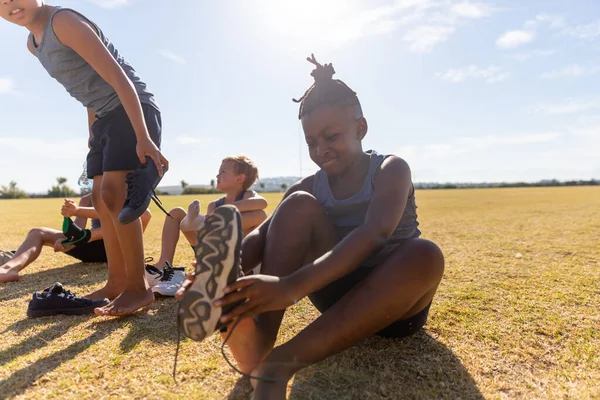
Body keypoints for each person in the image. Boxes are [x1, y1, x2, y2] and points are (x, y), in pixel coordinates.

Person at [176, 55, 445, 399]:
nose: (321, 150)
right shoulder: (306, 186)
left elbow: (374, 233)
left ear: (360, 129)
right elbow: (263, 235)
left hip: (396, 306)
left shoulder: (390, 169)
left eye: (331, 137)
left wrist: (289, 287)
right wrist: (214, 274)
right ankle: (257, 340)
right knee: (296, 207)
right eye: (311, 142)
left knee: (425, 255)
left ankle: (279, 363)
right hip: (336, 296)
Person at [0, 1, 169, 316]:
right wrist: (93, 134)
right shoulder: (32, 44)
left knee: (116, 194)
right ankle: (116, 282)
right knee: (99, 197)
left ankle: (138, 288)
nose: (11, 4)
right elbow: (87, 90)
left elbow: (119, 78)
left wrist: (143, 135)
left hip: (131, 109)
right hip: (104, 118)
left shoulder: (63, 22)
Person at [146, 155, 268, 296]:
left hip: (242, 261)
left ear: (240, 178)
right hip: (213, 254)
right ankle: (163, 266)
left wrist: (225, 211)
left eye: (223, 172)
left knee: (259, 216)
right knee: (176, 213)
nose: (217, 175)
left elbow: (262, 203)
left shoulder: (248, 196)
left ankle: (199, 223)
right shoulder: (214, 205)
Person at [0, 194, 152, 283]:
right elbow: (76, 232)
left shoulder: (124, 193)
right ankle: (8, 269)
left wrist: (81, 216)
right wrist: (69, 240)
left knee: (139, 214)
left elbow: (144, 216)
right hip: (87, 243)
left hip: (118, 248)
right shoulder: (87, 199)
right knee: (37, 232)